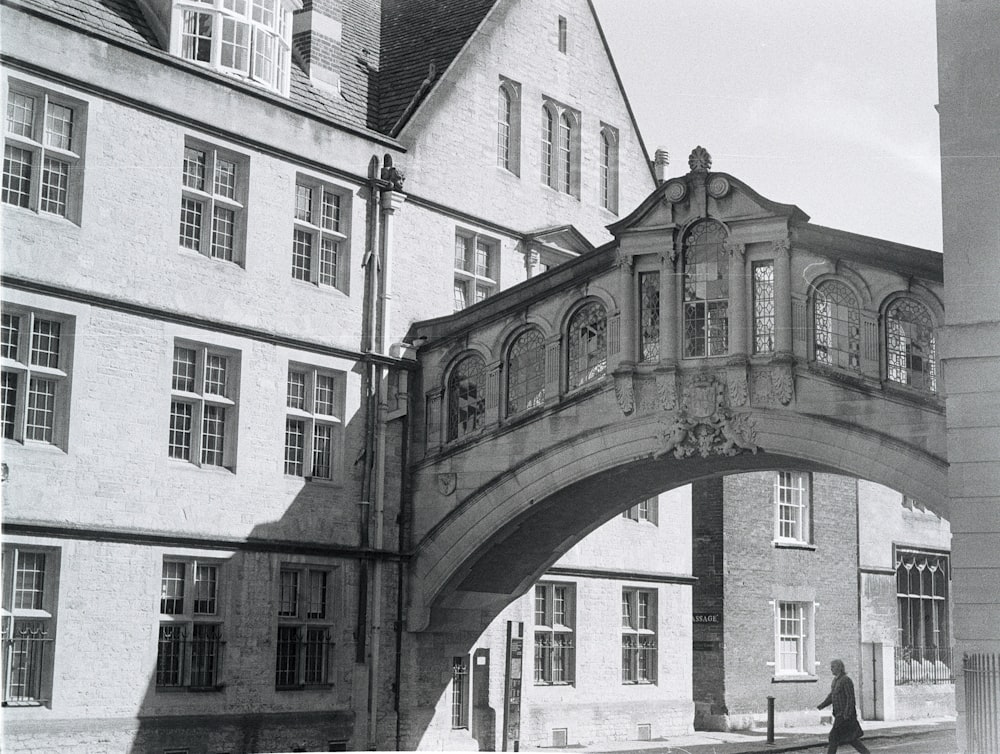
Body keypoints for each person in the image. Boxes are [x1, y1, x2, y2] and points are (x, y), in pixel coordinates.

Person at [817, 659, 871, 754]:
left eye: (833, 667)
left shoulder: (846, 680)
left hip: (844, 715)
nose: (831, 669)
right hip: (838, 714)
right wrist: (822, 705)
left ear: (839, 668)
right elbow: (832, 696)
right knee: (851, 738)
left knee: (833, 737)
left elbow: (850, 698)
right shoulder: (835, 681)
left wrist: (847, 714)